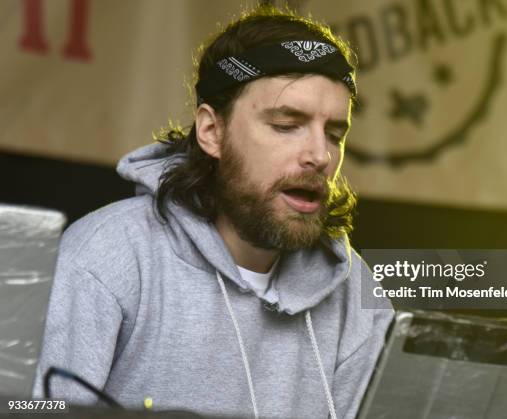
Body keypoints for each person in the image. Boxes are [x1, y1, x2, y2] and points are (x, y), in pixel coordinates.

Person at [32, 5, 394, 419]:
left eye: (333, 133)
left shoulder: (354, 291)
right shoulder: (104, 256)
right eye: (285, 124)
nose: (319, 155)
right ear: (211, 132)